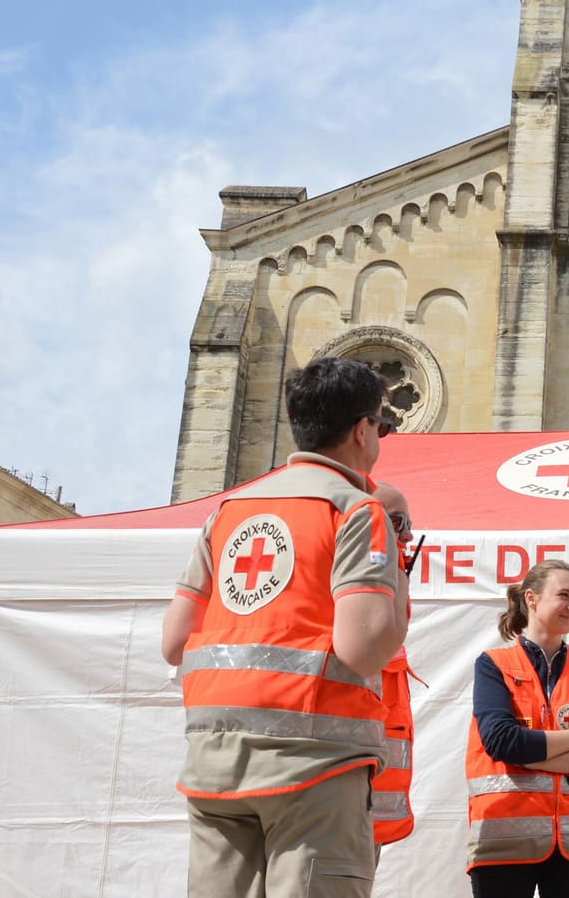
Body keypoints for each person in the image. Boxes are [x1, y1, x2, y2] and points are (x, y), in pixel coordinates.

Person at [161, 355, 409, 898]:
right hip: (313, 764)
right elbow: (365, 649)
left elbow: (175, 642)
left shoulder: (226, 512)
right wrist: (398, 573)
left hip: (214, 759)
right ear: (362, 429)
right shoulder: (355, 510)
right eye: (381, 426)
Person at [465, 559, 569, 898]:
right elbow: (500, 741)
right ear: (532, 599)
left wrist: (532, 756)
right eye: (564, 595)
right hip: (504, 841)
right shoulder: (494, 665)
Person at [371, 483, 419, 853]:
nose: (409, 535)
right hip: (332, 802)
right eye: (399, 522)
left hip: (365, 813)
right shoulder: (358, 600)